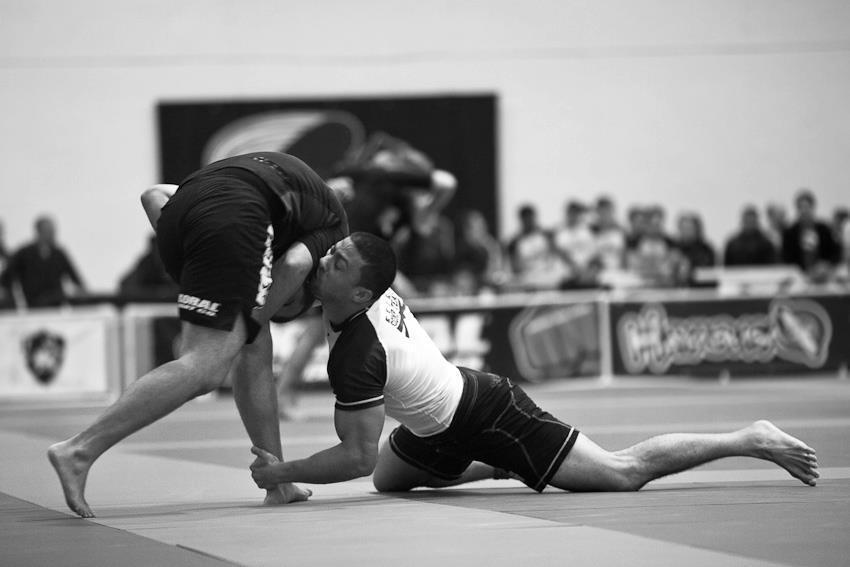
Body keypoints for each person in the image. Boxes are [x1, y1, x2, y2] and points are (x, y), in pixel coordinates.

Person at [249, 232, 819, 495]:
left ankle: (749, 437)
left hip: (488, 410)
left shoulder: (357, 352)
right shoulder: (355, 293)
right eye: (331, 252)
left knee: (622, 473)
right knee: (387, 482)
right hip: (438, 423)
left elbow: (354, 456)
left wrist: (281, 472)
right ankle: (504, 465)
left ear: (360, 292)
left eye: (337, 261)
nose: (324, 260)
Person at [48, 151, 348, 517]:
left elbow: (154, 196)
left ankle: (278, 481)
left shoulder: (289, 206)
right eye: (285, 302)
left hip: (181, 216)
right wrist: (255, 318)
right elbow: (296, 264)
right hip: (235, 217)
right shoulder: (333, 233)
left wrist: (198, 266)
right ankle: (79, 450)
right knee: (207, 365)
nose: (272, 299)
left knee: (252, 341)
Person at [0, 215, 86, 308]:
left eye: (53, 231)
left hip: (57, 304)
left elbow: (75, 278)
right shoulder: (24, 253)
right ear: (39, 232)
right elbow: (7, 277)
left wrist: (82, 293)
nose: (52, 234)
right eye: (49, 231)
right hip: (34, 305)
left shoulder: (58, 254)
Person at [781, 189, 841, 282]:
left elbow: (835, 252)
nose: (804, 210)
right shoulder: (790, 233)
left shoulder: (824, 229)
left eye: (807, 207)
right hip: (798, 276)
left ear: (812, 208)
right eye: (801, 207)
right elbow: (786, 257)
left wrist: (826, 264)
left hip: (823, 276)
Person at [674, 212, 716, 286]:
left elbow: (707, 272)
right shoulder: (674, 247)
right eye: (683, 228)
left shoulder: (706, 249)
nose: (685, 231)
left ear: (696, 229)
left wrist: (689, 269)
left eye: (689, 228)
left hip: (700, 288)